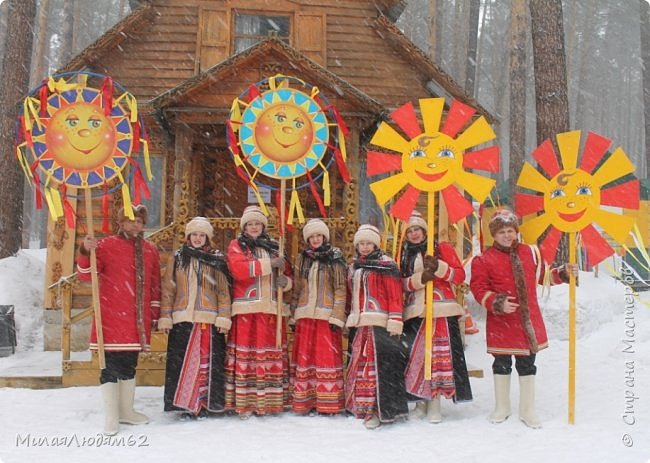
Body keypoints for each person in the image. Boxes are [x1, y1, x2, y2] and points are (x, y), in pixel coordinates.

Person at [469, 209, 578, 428]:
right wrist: (496, 302)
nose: (507, 235)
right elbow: (478, 288)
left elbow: (543, 277)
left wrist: (564, 273)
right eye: (502, 232)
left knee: (527, 364)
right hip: (501, 322)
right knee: (501, 363)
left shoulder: (531, 252)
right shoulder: (483, 259)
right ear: (494, 235)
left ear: (516, 232)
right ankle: (502, 407)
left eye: (510, 231)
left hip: (528, 320)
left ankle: (528, 410)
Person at [77, 204, 161, 436]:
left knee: (128, 365)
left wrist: (154, 313)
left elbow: (155, 284)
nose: (136, 224)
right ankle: (111, 417)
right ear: (121, 222)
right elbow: (86, 276)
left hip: (136, 320)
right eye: (131, 219)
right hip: (111, 317)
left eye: (140, 221)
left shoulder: (150, 250)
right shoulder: (104, 246)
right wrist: (85, 251)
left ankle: (126, 411)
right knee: (108, 367)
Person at [400, 212, 472, 423]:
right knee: (418, 359)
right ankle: (420, 401)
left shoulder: (441, 248)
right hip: (416, 312)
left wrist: (439, 268)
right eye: (410, 231)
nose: (414, 234)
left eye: (417, 229)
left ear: (424, 230)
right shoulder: (404, 254)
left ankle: (435, 404)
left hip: (441, 309)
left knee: (438, 358)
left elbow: (459, 276)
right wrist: (419, 279)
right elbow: (402, 284)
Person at [159, 217, 232, 420]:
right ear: (188, 236)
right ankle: (186, 404)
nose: (198, 238)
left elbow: (223, 292)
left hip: (208, 318)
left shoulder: (216, 259)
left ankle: (207, 403)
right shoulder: (179, 257)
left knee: (206, 363)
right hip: (182, 317)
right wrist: (165, 315)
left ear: (207, 237)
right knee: (183, 363)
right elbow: (168, 289)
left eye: (202, 235)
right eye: (194, 235)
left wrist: (224, 316)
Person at [225, 205, 293, 418]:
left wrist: (286, 282)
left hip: (271, 310)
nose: (254, 227)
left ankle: (270, 401)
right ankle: (245, 402)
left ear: (263, 225)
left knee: (268, 354)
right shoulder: (237, 245)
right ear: (244, 227)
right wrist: (269, 264)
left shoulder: (275, 246)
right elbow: (239, 270)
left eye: (257, 223)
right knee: (248, 355)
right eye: (250, 224)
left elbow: (287, 273)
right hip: (248, 309)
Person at [345, 224, 408, 429]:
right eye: (361, 243)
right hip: (361, 322)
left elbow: (394, 295)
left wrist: (395, 319)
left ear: (376, 244)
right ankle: (361, 405)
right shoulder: (354, 266)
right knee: (361, 365)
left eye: (368, 243)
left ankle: (378, 409)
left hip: (381, 322)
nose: (364, 247)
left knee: (378, 369)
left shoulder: (387, 265)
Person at [290, 218, 346, 415]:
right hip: (305, 314)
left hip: (326, 315)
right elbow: (297, 288)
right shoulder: (302, 258)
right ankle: (306, 401)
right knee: (306, 358)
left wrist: (337, 316)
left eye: (318, 235)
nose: (315, 239)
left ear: (325, 237)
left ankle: (327, 402)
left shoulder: (335, 258)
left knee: (325, 358)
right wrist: (293, 315)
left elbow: (340, 289)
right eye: (312, 236)